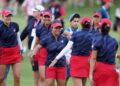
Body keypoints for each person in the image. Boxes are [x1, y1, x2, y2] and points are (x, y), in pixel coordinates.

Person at [49, 16, 92, 86]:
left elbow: (67, 48)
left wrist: (56, 59)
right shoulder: (92, 36)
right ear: (90, 25)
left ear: (81, 24)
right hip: (86, 62)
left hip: (76, 62)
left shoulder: (75, 34)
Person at [30, 20, 68, 86]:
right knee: (49, 84)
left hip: (61, 65)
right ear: (52, 28)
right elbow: (38, 46)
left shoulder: (64, 39)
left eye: (59, 28)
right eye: (56, 28)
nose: (58, 29)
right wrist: (33, 53)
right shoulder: (47, 38)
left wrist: (68, 58)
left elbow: (70, 48)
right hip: (50, 65)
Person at [89, 18, 119, 86]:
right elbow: (112, 54)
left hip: (100, 70)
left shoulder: (97, 41)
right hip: (111, 69)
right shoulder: (115, 41)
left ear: (100, 28)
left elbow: (93, 58)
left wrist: (90, 74)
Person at [20, 5, 45, 86]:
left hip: (42, 51)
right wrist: (17, 43)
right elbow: (24, 33)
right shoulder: (31, 21)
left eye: (35, 11)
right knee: (35, 74)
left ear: (40, 13)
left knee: (43, 76)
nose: (33, 12)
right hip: (32, 52)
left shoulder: (44, 22)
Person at [0, 9, 23, 86]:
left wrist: (21, 50)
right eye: (6, 16)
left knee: (17, 76)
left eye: (9, 16)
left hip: (15, 52)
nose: (8, 18)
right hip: (3, 53)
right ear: (2, 17)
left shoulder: (15, 25)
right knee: (1, 78)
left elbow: (18, 38)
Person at [30, 10, 52, 86]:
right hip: (42, 52)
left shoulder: (54, 27)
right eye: (45, 17)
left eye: (48, 18)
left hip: (52, 53)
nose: (46, 19)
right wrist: (33, 52)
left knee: (50, 78)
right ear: (43, 18)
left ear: (51, 18)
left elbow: (62, 33)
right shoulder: (39, 28)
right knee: (42, 77)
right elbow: (36, 41)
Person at [63, 13, 80, 85]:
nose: (76, 23)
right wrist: (65, 58)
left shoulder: (80, 32)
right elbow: (63, 46)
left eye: (77, 21)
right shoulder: (66, 32)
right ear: (70, 22)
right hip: (67, 59)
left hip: (77, 59)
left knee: (77, 79)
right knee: (64, 79)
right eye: (74, 21)